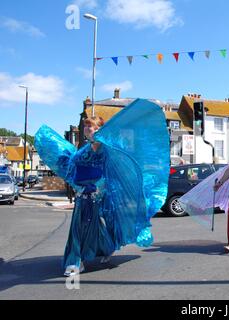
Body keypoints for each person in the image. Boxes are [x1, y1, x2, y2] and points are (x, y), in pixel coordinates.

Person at [34, 99, 170, 276]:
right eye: (85, 127)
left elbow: (108, 171)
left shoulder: (104, 147)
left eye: (90, 127)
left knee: (85, 226)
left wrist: (97, 186)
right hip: (82, 195)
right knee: (83, 226)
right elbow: (76, 167)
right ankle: (88, 256)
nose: (86, 130)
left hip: (97, 195)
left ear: (98, 129)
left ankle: (80, 260)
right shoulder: (85, 148)